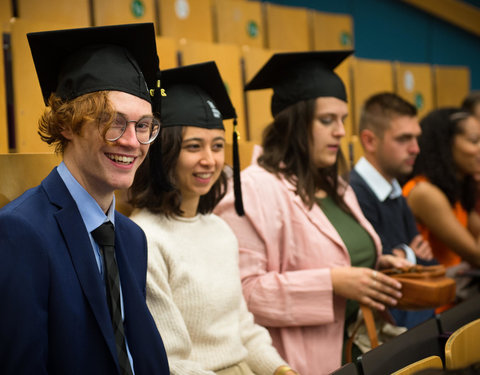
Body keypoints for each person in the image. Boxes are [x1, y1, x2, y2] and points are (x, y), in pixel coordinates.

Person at [214, 51, 410, 375]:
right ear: (294, 123)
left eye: (343, 120)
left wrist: (371, 262)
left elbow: (334, 253)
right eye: (327, 120)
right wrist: (331, 283)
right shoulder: (252, 189)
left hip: (359, 347)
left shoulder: (337, 186)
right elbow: (244, 294)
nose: (340, 131)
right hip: (297, 361)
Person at [0, 23, 169, 374]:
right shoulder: (20, 233)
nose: (132, 142)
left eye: (143, 126)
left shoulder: (131, 237)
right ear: (67, 124)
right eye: (113, 122)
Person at [129, 61, 298, 375]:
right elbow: (169, 360)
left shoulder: (220, 230)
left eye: (218, 146)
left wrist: (279, 369)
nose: (210, 160)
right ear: (164, 151)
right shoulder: (145, 237)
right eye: (194, 147)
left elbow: (243, 328)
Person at [349, 92, 436, 328]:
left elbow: (425, 263)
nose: (415, 148)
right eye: (404, 139)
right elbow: (383, 271)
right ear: (369, 141)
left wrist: (404, 254)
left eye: (416, 138)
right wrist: (410, 254)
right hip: (390, 333)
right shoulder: (352, 193)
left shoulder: (394, 186)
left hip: (417, 317)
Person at [403, 108, 480, 269]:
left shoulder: (455, 187)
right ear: (446, 145)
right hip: (435, 286)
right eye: (474, 141)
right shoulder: (424, 192)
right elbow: (476, 255)